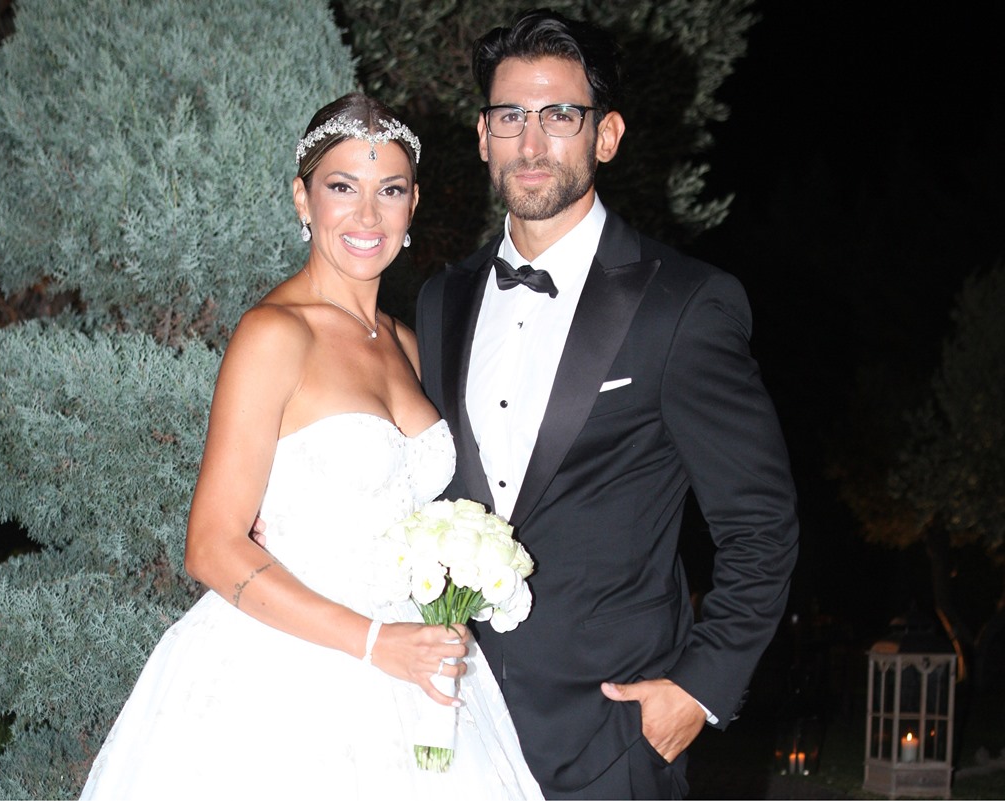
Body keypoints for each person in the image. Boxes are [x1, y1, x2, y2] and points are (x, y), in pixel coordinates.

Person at [80, 93, 542, 800]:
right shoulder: (274, 334)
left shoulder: (408, 343)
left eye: (390, 191)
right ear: (303, 199)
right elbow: (210, 546)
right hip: (292, 667)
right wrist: (374, 643)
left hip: (420, 665)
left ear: (413, 205)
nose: (367, 216)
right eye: (342, 188)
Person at [415, 10, 800, 800]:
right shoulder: (440, 300)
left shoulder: (683, 305)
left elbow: (761, 523)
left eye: (560, 115)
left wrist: (697, 689)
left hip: (610, 739)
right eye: (510, 116)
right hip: (453, 724)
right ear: (483, 136)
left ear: (607, 135)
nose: (531, 142)